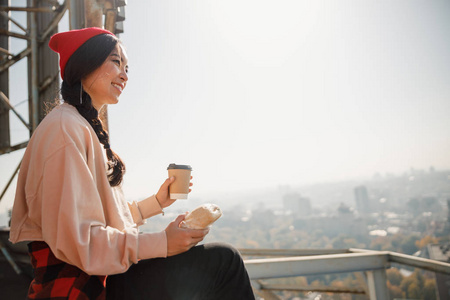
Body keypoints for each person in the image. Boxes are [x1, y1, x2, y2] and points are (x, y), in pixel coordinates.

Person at [9, 27, 255, 300]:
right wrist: (163, 242)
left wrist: (156, 203)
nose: (125, 74)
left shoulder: (77, 125)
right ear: (84, 63)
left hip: (99, 276)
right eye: (116, 62)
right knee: (224, 263)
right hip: (85, 287)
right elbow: (82, 243)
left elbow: (98, 219)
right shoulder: (65, 130)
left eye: (127, 66)